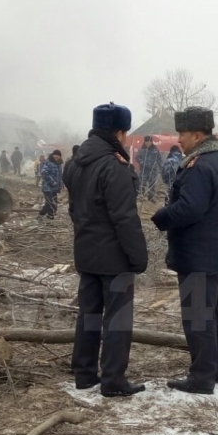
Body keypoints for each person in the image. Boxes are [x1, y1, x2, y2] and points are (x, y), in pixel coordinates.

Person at [63, 102, 147, 398]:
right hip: (114, 257)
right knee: (118, 319)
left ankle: (85, 374)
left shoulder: (74, 163)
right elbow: (125, 217)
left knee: (88, 314)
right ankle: (113, 380)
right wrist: (139, 257)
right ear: (120, 132)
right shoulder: (114, 165)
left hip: (85, 252)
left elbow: (74, 209)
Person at [151, 106, 218, 395]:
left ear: (198, 135)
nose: (179, 139)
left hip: (198, 255)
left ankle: (201, 379)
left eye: (183, 134)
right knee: (216, 315)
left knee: (199, 318)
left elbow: (190, 208)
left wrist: (161, 217)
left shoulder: (199, 166)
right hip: (217, 253)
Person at [135, 136, 162, 201]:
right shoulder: (141, 150)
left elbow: (159, 159)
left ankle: (151, 198)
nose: (148, 143)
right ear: (144, 142)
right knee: (142, 184)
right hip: (143, 170)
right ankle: (141, 197)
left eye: (149, 141)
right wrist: (142, 163)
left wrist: (161, 168)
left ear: (151, 142)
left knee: (152, 185)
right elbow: (137, 158)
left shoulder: (155, 150)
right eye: (146, 141)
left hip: (152, 171)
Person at [38, 150, 63, 220]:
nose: (56, 156)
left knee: (53, 204)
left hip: (55, 188)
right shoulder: (48, 163)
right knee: (50, 203)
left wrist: (61, 184)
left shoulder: (59, 164)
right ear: (52, 155)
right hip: (47, 187)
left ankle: (50, 218)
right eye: (55, 155)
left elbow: (60, 176)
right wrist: (52, 181)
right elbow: (44, 172)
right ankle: (41, 214)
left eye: (58, 155)